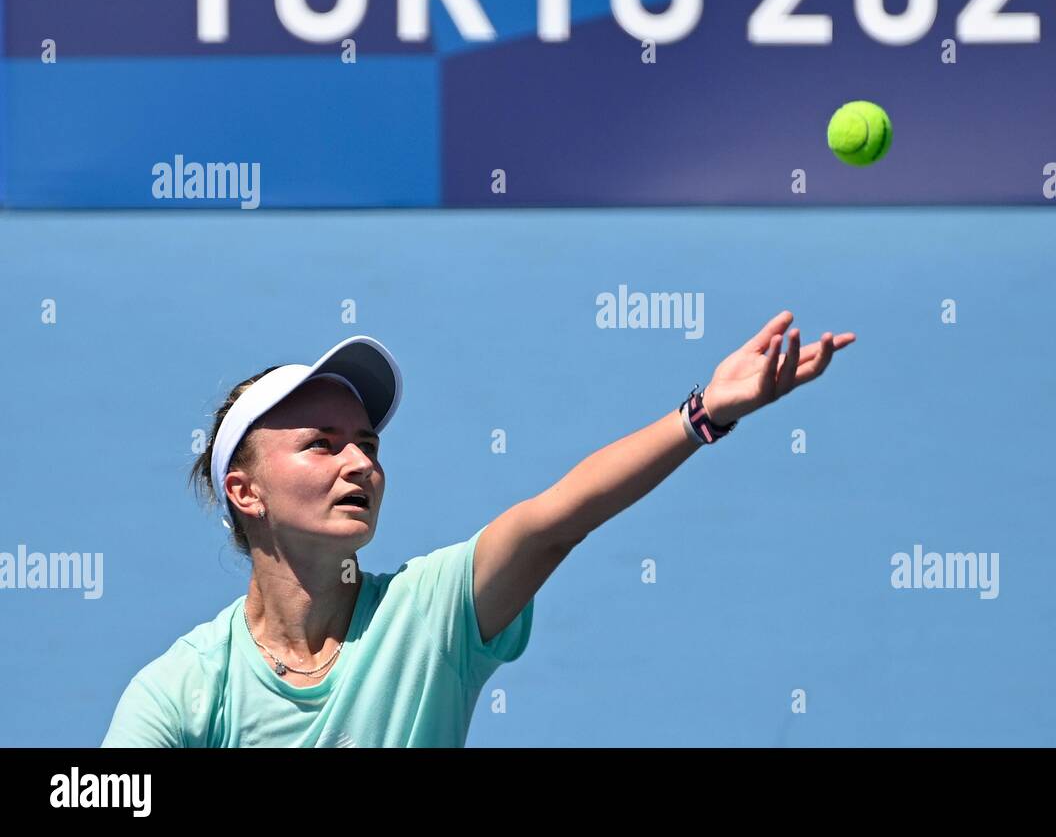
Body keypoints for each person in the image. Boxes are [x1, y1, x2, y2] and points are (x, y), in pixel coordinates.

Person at [102, 311, 853, 746]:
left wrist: (705, 415)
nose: (360, 462)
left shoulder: (432, 615)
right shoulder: (182, 692)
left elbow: (557, 520)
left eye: (368, 443)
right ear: (245, 491)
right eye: (322, 444)